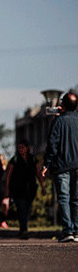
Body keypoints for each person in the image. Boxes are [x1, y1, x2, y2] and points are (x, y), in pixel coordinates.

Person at [41, 92, 78, 243]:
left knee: (63, 198)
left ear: (62, 105)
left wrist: (46, 164)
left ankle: (67, 231)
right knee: (76, 199)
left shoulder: (58, 121)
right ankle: (76, 231)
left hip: (62, 165)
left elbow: (53, 145)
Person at [5, 140, 45, 239]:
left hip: (30, 189)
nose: (20, 150)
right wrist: (7, 188)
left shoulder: (32, 159)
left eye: (22, 147)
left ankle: (23, 229)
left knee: (27, 210)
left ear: (27, 148)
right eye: (19, 147)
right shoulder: (14, 159)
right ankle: (24, 230)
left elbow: (38, 173)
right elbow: (8, 175)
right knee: (21, 209)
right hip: (17, 189)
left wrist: (43, 186)